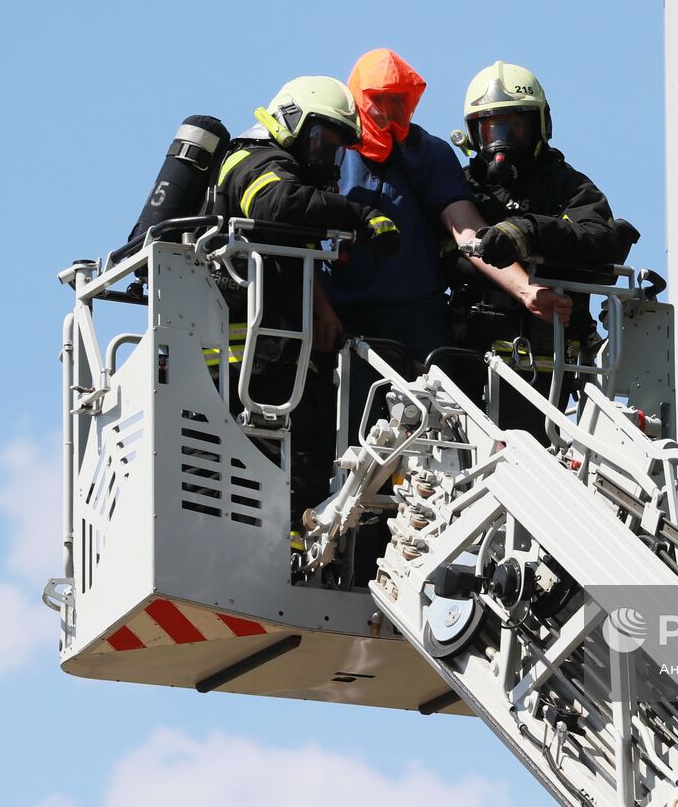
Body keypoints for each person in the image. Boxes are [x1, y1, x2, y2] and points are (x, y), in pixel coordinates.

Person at [320, 49, 571, 405]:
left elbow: (467, 230)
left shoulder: (428, 154)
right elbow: (306, 240)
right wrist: (320, 310)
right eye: (380, 100)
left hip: (419, 321)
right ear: (358, 97)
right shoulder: (331, 151)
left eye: (400, 100)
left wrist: (527, 291)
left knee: (436, 433)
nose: (391, 112)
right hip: (343, 320)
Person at [208, 75, 401, 529]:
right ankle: (282, 554)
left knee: (308, 456)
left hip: (273, 351)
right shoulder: (255, 162)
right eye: (322, 141)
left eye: (336, 148)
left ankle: (293, 551)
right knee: (284, 459)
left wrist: (322, 311)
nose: (328, 157)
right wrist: (357, 214)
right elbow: (278, 206)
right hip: (243, 356)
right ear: (291, 122)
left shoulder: (276, 165)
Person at [445, 60, 638, 440]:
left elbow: (599, 240)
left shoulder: (568, 186)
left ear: (539, 127)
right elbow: (445, 252)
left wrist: (527, 232)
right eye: (490, 129)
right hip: (466, 362)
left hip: (547, 369)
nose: (501, 141)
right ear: (472, 134)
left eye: (514, 127)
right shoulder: (462, 192)